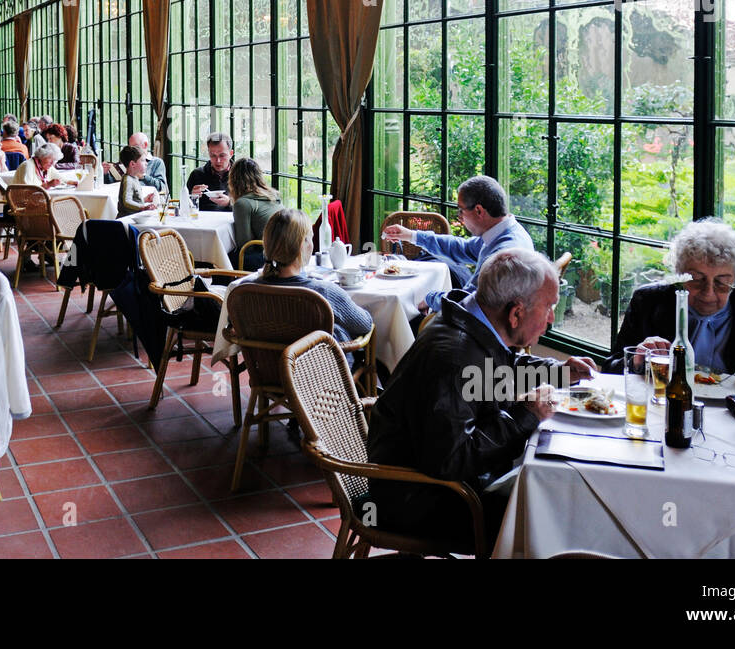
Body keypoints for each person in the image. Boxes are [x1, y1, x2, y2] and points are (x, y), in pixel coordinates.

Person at [367, 248, 598, 550]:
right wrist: (525, 415)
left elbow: (496, 371)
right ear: (516, 313)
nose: (552, 318)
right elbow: (451, 460)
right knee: (559, 514)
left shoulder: (470, 323)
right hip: (421, 500)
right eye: (549, 307)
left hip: (438, 483)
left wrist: (559, 372)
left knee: (559, 491)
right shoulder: (455, 358)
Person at [606, 219, 735, 379]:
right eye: (696, 279)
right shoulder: (648, 301)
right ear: (679, 274)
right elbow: (610, 369)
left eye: (722, 282)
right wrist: (636, 360)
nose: (708, 293)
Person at [382, 175, 533, 312]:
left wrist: (429, 298)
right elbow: (463, 248)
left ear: (479, 211)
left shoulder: (503, 255)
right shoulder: (505, 233)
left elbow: (468, 302)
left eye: (461, 211)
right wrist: (411, 235)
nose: (459, 217)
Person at [228, 208, 373, 345]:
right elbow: (365, 325)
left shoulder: (244, 291)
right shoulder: (323, 292)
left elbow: (233, 323)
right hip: (316, 363)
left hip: (265, 363)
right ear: (302, 245)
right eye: (310, 238)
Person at [229, 158, 282, 271]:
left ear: (234, 179)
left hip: (268, 256)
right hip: (285, 250)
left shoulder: (243, 203)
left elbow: (245, 245)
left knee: (226, 257)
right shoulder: (273, 195)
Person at [187, 132, 234, 211]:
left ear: (231, 154)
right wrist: (191, 197)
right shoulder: (197, 174)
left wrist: (230, 202)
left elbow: (252, 206)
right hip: (202, 218)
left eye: (222, 155)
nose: (218, 161)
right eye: (213, 155)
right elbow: (182, 208)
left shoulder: (241, 175)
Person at [116, 144, 159, 217]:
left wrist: (144, 200)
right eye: (143, 160)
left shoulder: (134, 178)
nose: (146, 163)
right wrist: (143, 207)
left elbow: (133, 200)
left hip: (133, 218)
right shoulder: (128, 180)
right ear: (133, 164)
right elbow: (126, 202)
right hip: (125, 220)